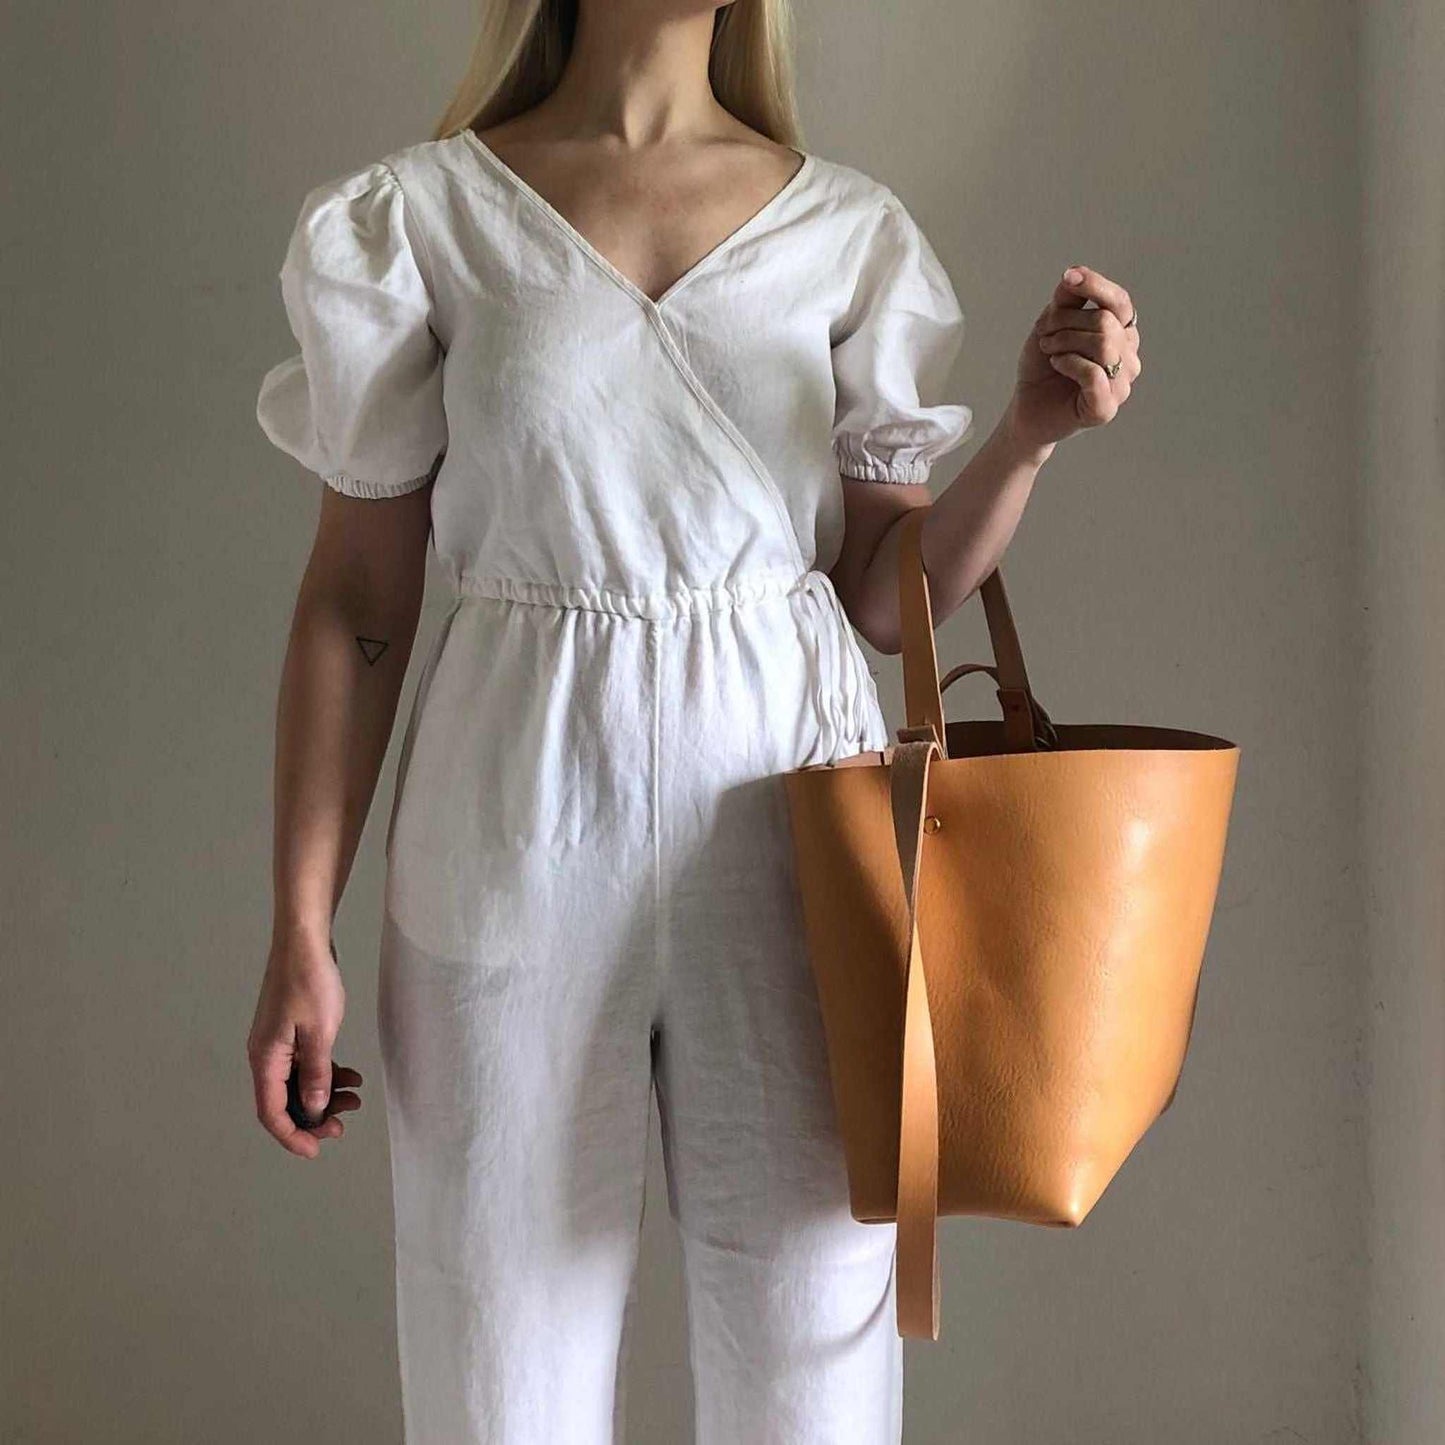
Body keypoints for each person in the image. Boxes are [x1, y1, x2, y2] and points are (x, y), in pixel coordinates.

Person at [245, 0, 1140, 1439]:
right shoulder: (421, 218)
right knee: (496, 1380)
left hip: (798, 833)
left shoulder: (846, 231)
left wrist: (1027, 435)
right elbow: (355, 601)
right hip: (508, 821)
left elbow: (880, 602)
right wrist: (300, 926)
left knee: (817, 1384)